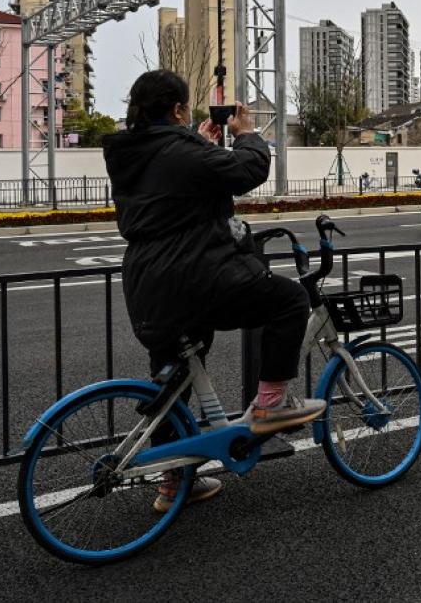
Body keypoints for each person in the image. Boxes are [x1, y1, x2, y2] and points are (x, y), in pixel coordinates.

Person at [103, 69, 324, 512]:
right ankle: (270, 406)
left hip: (149, 284)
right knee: (289, 300)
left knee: (174, 378)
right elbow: (248, 170)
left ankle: (174, 483)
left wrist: (199, 144)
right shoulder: (179, 151)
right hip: (197, 274)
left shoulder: (132, 152)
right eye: (185, 107)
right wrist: (247, 135)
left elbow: (178, 186)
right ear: (178, 109)